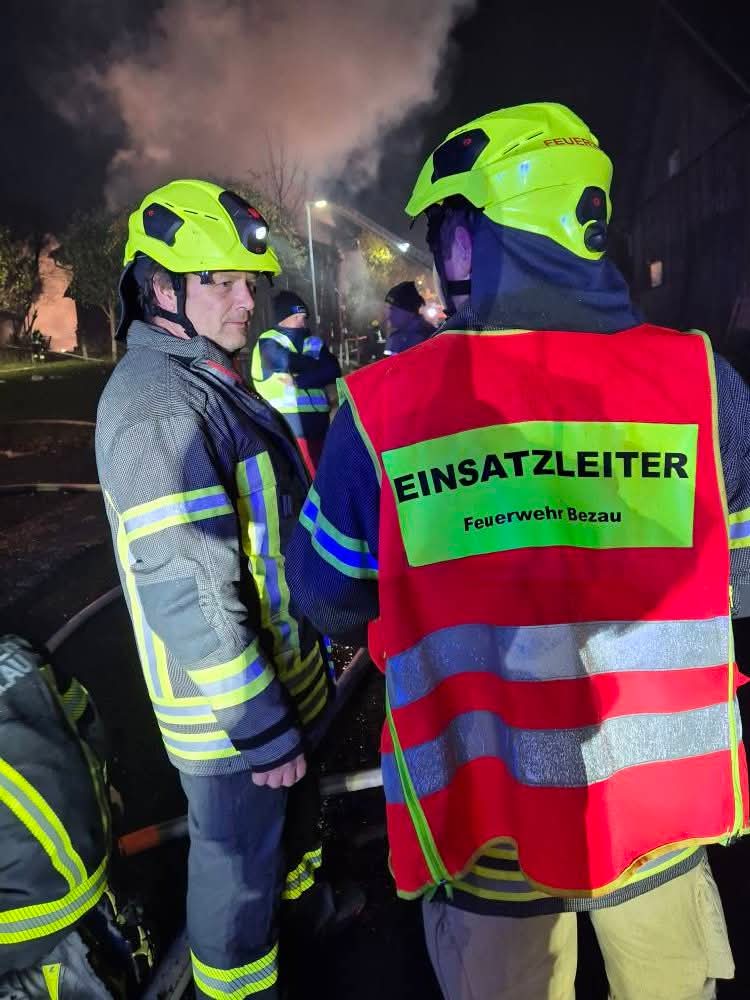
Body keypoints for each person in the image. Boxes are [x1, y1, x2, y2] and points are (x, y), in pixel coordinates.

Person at [286, 103, 750, 999]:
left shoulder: (384, 408)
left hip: (487, 812)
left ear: (477, 238)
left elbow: (328, 599)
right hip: (656, 812)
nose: (437, 258)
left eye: (443, 234)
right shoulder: (703, 381)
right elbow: (744, 577)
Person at [95, 180, 335, 1000]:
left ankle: (306, 924)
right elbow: (189, 591)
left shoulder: (202, 378)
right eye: (221, 282)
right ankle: (239, 988)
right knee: (235, 876)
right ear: (161, 289)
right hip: (230, 715)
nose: (246, 300)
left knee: (285, 846)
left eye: (249, 281)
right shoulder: (160, 408)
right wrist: (260, 726)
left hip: (278, 682)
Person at [0, 634, 114, 998]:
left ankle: (29, 984)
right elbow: (84, 713)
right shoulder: (17, 650)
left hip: (26, 919)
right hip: (99, 860)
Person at [251, 291, 341, 474]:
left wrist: (300, 380)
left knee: (324, 477)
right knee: (307, 479)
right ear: (282, 319)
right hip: (288, 427)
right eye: (296, 317)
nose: (302, 323)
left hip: (320, 426)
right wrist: (318, 367)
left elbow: (334, 370)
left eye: (304, 317)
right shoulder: (268, 341)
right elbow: (286, 362)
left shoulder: (313, 341)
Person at [382, 280, 434, 355]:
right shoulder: (395, 337)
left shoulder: (428, 338)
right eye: (388, 309)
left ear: (410, 311)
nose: (389, 315)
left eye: (393, 309)